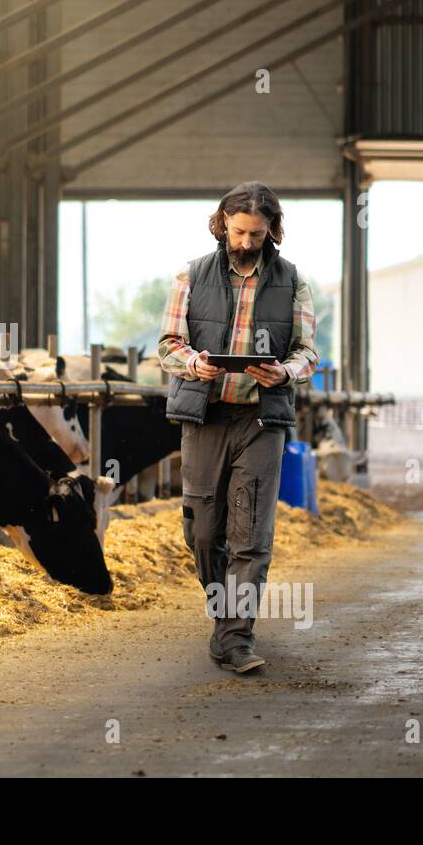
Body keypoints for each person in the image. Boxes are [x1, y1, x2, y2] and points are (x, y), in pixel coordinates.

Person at [156, 181, 318, 673]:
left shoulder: (294, 282)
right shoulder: (190, 276)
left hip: (261, 420)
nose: (247, 242)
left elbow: (308, 352)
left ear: (273, 229)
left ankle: (236, 637)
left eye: (257, 233)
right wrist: (193, 364)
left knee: (249, 535)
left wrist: (284, 372)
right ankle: (223, 618)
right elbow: (166, 344)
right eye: (240, 231)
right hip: (206, 416)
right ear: (223, 222)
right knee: (204, 533)